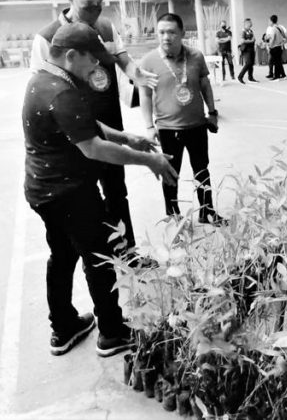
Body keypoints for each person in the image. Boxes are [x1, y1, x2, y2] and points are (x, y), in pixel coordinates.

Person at [23, 22, 178, 357]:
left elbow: (83, 123)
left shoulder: (45, 78)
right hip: (69, 194)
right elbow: (92, 147)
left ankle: (62, 327)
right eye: (92, 60)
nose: (96, 67)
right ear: (71, 55)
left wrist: (126, 136)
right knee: (99, 258)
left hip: (42, 191)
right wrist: (147, 160)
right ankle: (111, 331)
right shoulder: (61, 91)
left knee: (62, 256)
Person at [30, 0, 157, 260]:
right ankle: (103, 260)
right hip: (75, 138)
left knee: (117, 194)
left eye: (101, 3)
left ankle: (128, 254)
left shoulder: (106, 27)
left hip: (108, 125)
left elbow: (126, 63)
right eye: (89, 5)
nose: (96, 11)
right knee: (85, 203)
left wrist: (140, 76)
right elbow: (42, 91)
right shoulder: (46, 39)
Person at [138, 14, 227, 225]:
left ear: (182, 34)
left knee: (202, 169)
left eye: (171, 32)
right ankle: (173, 215)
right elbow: (145, 95)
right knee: (170, 173)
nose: (166, 37)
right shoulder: (149, 61)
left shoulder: (195, 56)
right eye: (161, 32)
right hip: (168, 129)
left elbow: (205, 85)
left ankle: (207, 212)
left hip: (197, 125)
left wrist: (212, 113)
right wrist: (149, 127)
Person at [263, 15, 287, 80]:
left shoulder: (273, 29)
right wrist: (282, 41)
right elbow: (285, 36)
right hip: (280, 47)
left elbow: (273, 38)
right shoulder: (280, 27)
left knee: (276, 62)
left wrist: (269, 46)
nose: (268, 22)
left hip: (274, 47)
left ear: (271, 21)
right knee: (279, 61)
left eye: (269, 21)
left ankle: (276, 76)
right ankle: (283, 74)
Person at [237, 17, 258, 84]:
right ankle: (240, 76)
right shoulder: (243, 31)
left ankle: (250, 77)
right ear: (246, 23)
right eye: (250, 22)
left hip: (251, 49)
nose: (251, 24)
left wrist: (252, 40)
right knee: (248, 63)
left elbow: (254, 38)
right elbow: (242, 40)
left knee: (251, 64)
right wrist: (251, 40)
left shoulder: (250, 31)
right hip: (246, 50)